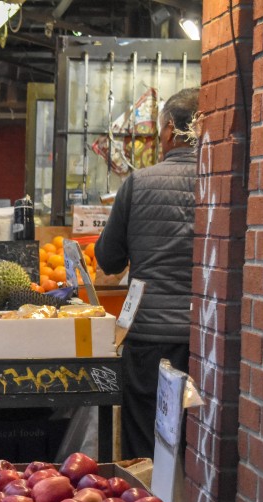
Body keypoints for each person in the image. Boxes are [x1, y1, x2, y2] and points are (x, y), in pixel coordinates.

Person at [93, 87, 200, 460]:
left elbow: (108, 261)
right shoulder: (224, 184)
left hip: (148, 341)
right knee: (196, 445)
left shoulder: (139, 183)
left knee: (145, 450)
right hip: (205, 342)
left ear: (169, 129)